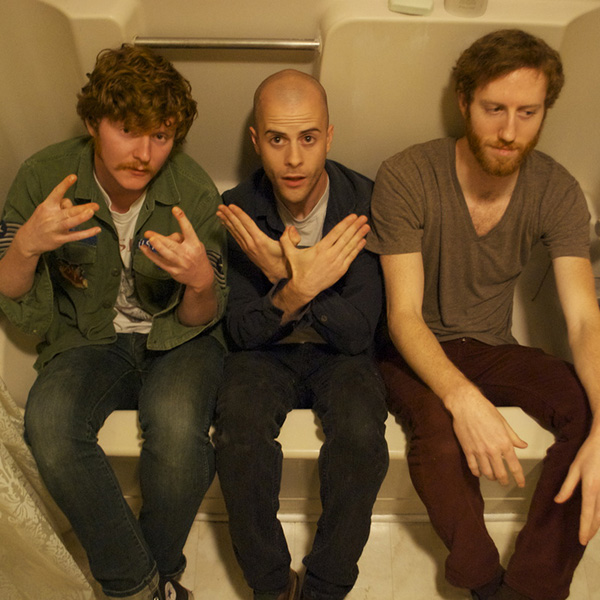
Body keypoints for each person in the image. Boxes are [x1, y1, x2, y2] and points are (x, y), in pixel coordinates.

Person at [367, 29, 600, 600]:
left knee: (586, 405)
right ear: (464, 102)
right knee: (441, 438)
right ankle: (483, 584)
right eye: (495, 109)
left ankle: (532, 590)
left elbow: (584, 322)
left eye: (528, 112)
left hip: (492, 345)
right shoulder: (408, 174)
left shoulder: (557, 188)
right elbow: (403, 317)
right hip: (412, 350)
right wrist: (463, 398)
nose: (510, 131)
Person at [0, 44, 227, 600]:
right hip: (88, 338)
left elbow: (201, 317)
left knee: (178, 429)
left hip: (178, 339)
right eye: (127, 130)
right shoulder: (44, 175)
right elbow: (14, 297)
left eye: (161, 136)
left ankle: (154, 572)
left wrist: (200, 282)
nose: (144, 154)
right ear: (92, 123)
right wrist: (26, 246)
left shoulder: (193, 189)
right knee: (49, 426)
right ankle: (144, 587)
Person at [214, 69, 389, 600]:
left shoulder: (365, 202)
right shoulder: (239, 209)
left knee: (361, 435)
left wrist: (287, 276)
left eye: (308, 138)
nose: (294, 158)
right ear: (256, 141)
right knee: (238, 434)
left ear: (329, 137)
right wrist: (295, 289)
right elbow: (241, 332)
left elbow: (358, 334)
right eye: (277, 139)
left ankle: (325, 587)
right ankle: (272, 586)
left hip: (340, 355)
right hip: (266, 353)